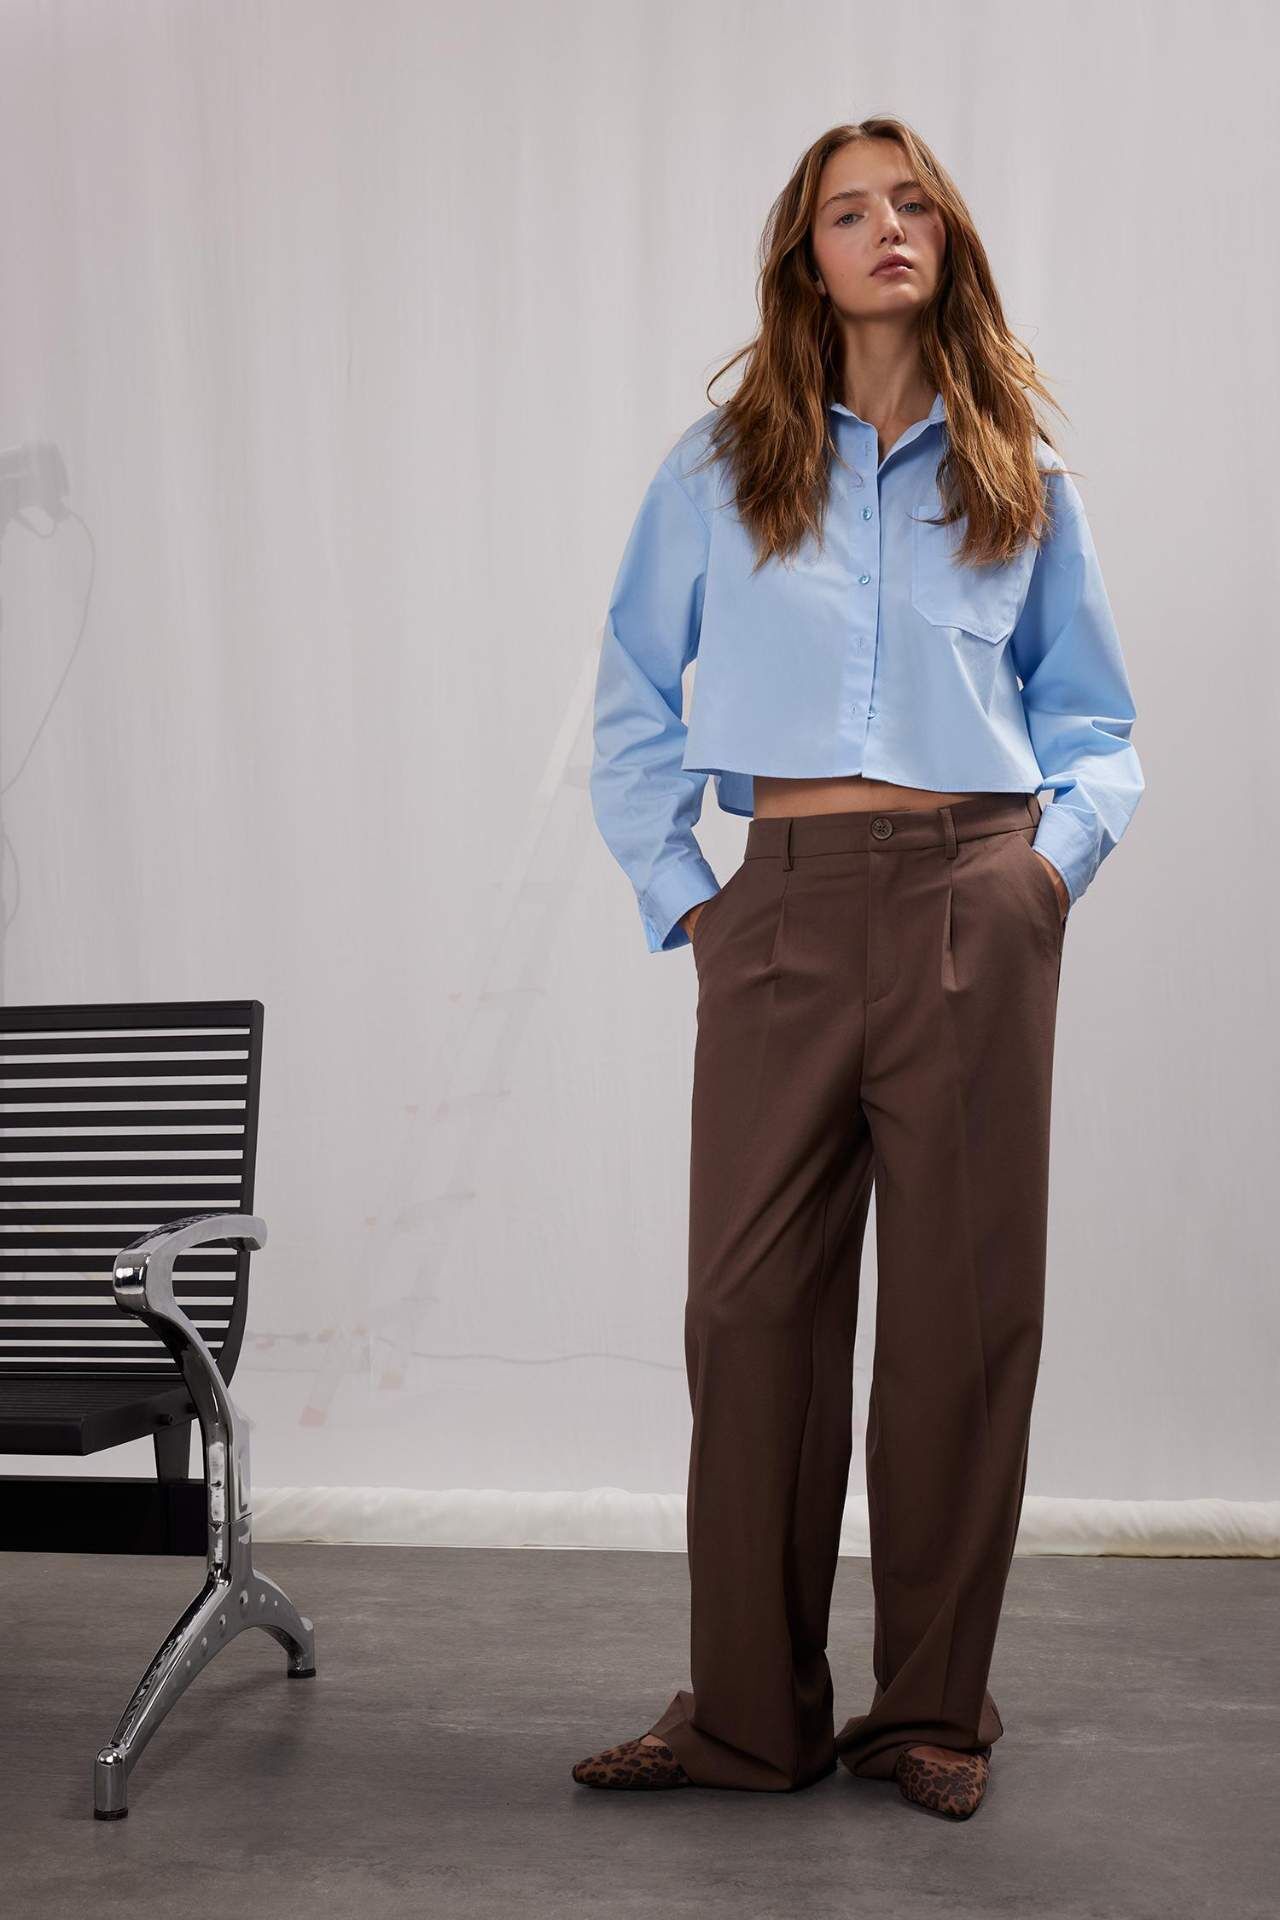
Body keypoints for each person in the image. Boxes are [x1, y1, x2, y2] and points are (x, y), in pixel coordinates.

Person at [573, 116, 1144, 1821]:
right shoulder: (720, 468)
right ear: (804, 258)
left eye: (911, 205)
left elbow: (1097, 726)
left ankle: (930, 1712)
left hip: (976, 893)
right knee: (747, 1313)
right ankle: (749, 1716)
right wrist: (693, 900)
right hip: (783, 909)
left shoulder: (1019, 469)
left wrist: (1043, 879)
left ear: (946, 240)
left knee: (962, 1320)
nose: (885, 227)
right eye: (847, 210)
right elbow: (632, 696)